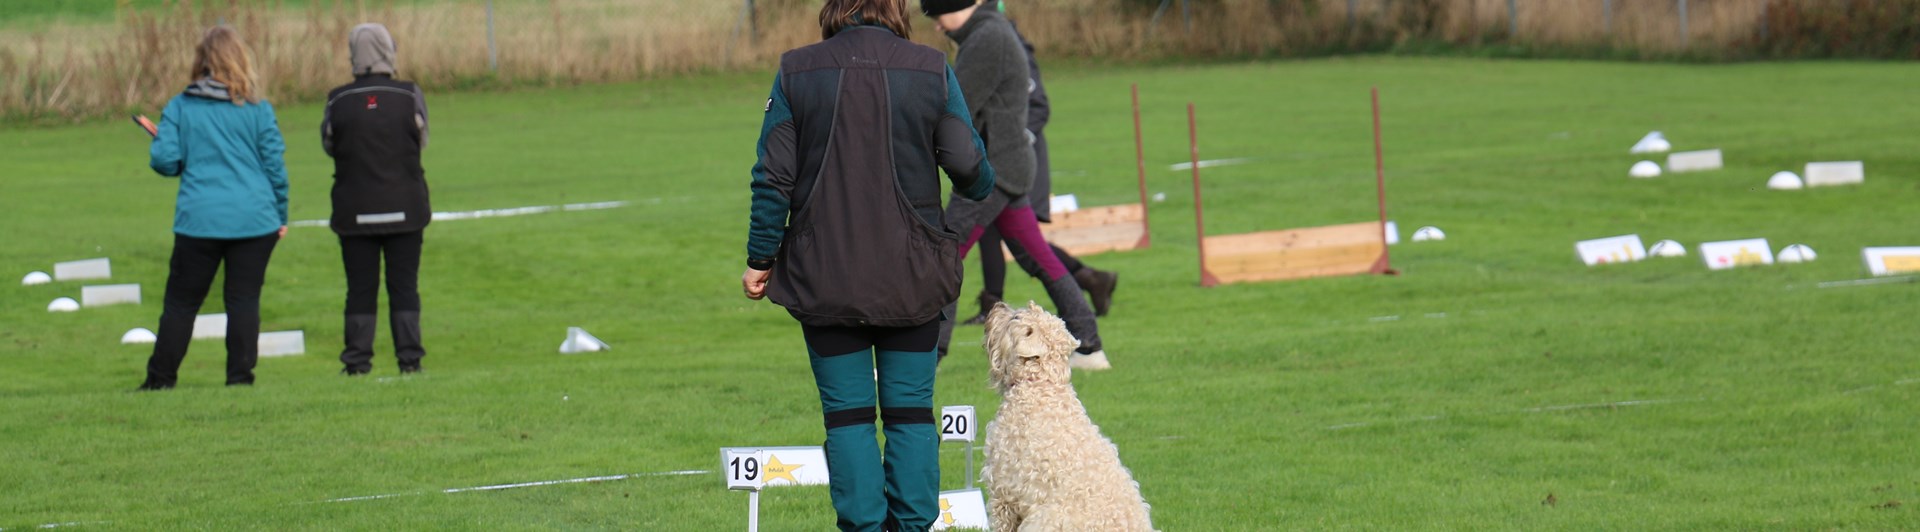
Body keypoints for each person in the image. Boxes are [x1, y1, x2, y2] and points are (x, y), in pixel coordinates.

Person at [739, 0, 994, 529]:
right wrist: (983, 183)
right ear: (895, 9)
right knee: (909, 415)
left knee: (848, 419)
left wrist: (760, 258)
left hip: (824, 275)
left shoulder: (795, 70)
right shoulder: (929, 68)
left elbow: (772, 178)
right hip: (914, 277)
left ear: (837, 8)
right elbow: (968, 166)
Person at [923, 0, 1111, 370]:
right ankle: (1088, 345)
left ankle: (927, 353)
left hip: (992, 172)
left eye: (937, 16)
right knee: (1038, 257)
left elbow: (956, 108)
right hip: (1007, 165)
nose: (937, 27)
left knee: (944, 253)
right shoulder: (988, 31)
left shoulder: (986, 37)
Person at [139, 26, 289, 390]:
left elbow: (165, 162)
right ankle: (240, 379)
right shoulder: (257, 109)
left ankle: (160, 381)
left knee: (181, 304)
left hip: (199, 220)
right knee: (244, 301)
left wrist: (166, 142)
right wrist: (280, 214)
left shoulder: (180, 107)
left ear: (201, 62)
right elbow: (275, 167)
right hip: (255, 218)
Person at [962, 0, 1119, 325]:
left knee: (1019, 241)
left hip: (1018, 160)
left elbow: (1038, 106)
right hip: (993, 160)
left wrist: (1013, 145)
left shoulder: (1010, 45)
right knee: (1004, 234)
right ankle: (1081, 292)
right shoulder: (982, 43)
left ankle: (1086, 284)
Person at [321, 23, 432, 375]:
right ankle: (410, 361)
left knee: (359, 288)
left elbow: (329, 145)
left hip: (355, 210)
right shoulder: (409, 94)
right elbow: (422, 139)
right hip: (406, 208)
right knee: (404, 286)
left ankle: (356, 362)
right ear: (389, 50)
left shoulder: (338, 99)